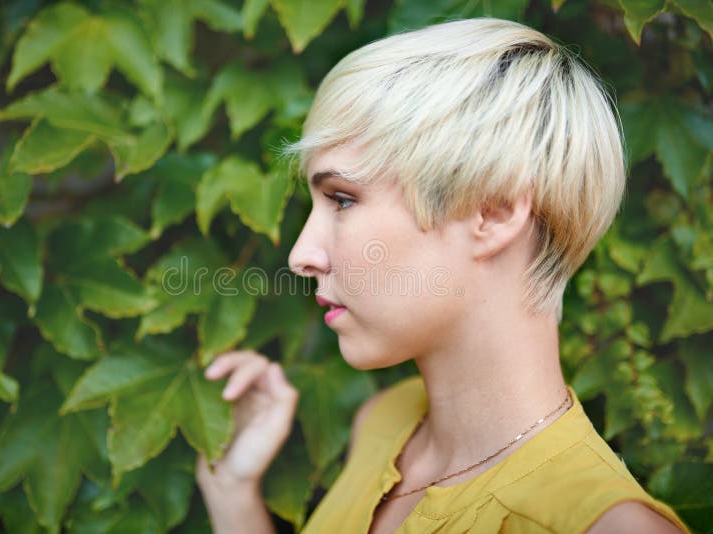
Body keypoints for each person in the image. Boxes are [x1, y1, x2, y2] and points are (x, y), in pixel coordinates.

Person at [195, 18, 690, 534]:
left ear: (494, 214)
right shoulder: (384, 425)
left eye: (343, 199)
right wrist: (231, 492)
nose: (302, 255)